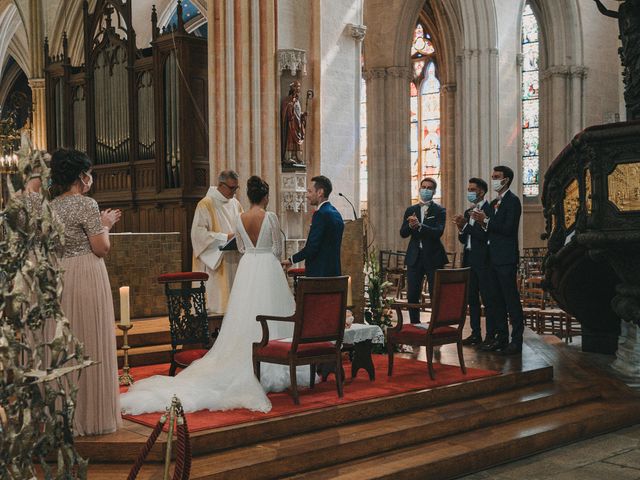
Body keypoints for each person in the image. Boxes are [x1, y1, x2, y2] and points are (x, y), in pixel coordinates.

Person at [121, 176, 310, 415]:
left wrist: (253, 251)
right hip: (267, 267)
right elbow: (276, 248)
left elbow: (241, 247)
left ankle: (249, 361)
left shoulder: (240, 217)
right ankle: (278, 363)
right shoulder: (270, 217)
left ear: (249, 195)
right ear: (265, 197)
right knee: (274, 314)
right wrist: (267, 254)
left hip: (248, 267)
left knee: (246, 317)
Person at [49, 148, 122, 436]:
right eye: (88, 173)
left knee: (69, 342)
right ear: (82, 175)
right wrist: (106, 225)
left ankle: (66, 412)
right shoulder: (86, 204)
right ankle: (93, 414)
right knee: (90, 339)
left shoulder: (50, 206)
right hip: (88, 274)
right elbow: (100, 248)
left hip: (62, 274)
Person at [471, 166, 525, 355]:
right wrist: (480, 222)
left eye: (497, 177)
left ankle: (517, 340)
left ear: (506, 180)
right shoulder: (494, 202)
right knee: (496, 301)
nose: (493, 179)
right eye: (492, 176)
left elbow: (508, 228)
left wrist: (485, 221)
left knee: (511, 300)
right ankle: (501, 338)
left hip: (506, 258)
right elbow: (490, 230)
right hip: (491, 258)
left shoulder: (513, 201)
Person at [191, 170, 243, 314]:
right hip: (215, 261)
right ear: (221, 185)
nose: (234, 192)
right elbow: (198, 235)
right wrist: (225, 237)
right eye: (232, 188)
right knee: (219, 307)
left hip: (233, 258)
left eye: (236, 188)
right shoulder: (206, 204)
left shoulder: (236, 204)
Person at [400, 177, 448, 324]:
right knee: (412, 293)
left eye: (429, 188)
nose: (425, 190)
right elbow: (403, 233)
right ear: (419, 189)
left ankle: (435, 324)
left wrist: (420, 226)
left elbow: (438, 232)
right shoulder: (411, 210)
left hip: (433, 256)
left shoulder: (439, 210)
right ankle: (415, 324)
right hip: (415, 256)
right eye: (423, 187)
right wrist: (411, 226)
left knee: (435, 293)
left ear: (434, 191)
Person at [453, 178, 494, 345]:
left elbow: (485, 236)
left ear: (482, 192)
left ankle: (490, 335)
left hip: (484, 260)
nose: (469, 192)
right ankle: (475, 333)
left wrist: (466, 227)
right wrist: (461, 228)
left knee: (487, 298)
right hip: (469, 258)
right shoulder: (468, 211)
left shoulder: (489, 209)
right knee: (471, 299)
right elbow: (464, 239)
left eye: (472, 189)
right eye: (468, 189)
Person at [282, 175, 344, 276]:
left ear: (320, 192)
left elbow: (312, 248)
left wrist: (291, 260)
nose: (307, 195)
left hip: (319, 275)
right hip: (334, 273)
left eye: (310, 191)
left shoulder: (321, 214)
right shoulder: (336, 213)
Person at [281, 81, 307, 166]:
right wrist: (289, 107)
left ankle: (297, 157)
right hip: (291, 125)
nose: (298, 89)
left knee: (298, 142)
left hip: (297, 125)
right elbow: (285, 112)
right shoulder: (287, 100)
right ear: (292, 88)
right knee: (290, 140)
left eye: (299, 87)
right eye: (296, 87)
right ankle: (288, 158)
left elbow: (298, 113)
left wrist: (303, 115)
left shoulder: (297, 101)